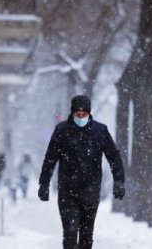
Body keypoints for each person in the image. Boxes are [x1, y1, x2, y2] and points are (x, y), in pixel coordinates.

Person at [38, 95, 125, 249]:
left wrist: (119, 180)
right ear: (72, 113)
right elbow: (50, 158)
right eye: (77, 114)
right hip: (67, 191)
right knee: (70, 234)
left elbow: (113, 156)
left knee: (86, 236)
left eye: (83, 114)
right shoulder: (61, 130)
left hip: (90, 191)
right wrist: (44, 183)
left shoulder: (100, 131)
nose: (80, 117)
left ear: (89, 113)